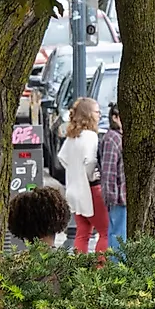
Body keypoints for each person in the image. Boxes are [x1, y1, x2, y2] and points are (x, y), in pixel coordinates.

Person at [60, 96, 104, 252]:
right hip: (90, 191)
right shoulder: (91, 137)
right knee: (105, 232)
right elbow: (90, 161)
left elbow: (62, 157)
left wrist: (74, 171)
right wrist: (93, 176)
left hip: (74, 191)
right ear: (89, 114)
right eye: (97, 112)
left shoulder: (72, 137)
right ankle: (101, 268)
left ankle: (81, 269)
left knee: (82, 233)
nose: (100, 115)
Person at [98, 105, 128, 247]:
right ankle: (116, 267)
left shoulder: (120, 137)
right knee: (117, 236)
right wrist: (111, 198)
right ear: (115, 118)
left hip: (123, 197)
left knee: (121, 235)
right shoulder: (112, 139)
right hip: (118, 198)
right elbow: (109, 171)